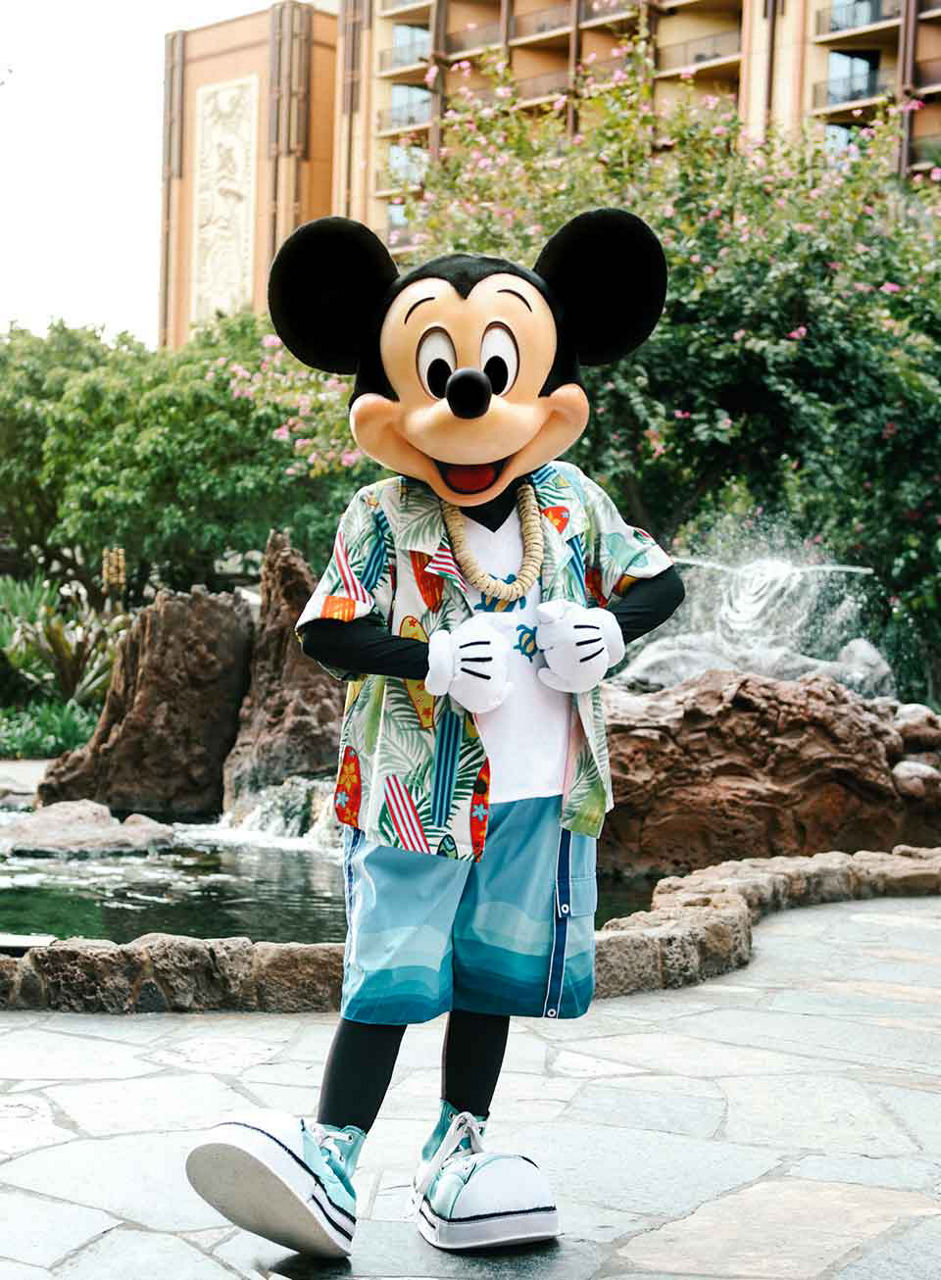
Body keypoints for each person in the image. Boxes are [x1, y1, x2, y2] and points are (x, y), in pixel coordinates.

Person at [186, 209, 685, 1258]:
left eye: (499, 370)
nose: (470, 398)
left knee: (492, 971)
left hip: (539, 793)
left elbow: (658, 580)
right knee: (390, 971)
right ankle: (332, 1153)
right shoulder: (381, 513)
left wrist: (608, 630)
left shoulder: (571, 501)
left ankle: (458, 1147)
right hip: (419, 793)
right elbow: (326, 626)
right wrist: (430, 660)